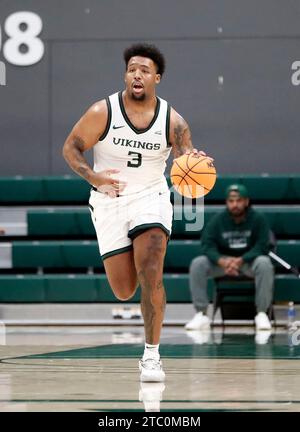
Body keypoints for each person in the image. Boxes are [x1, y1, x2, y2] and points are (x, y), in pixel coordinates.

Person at [63, 43, 212, 382]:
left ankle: (151, 356)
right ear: (125, 75)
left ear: (156, 78)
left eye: (144, 70)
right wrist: (94, 177)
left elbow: (187, 159)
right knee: (124, 289)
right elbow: (70, 147)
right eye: (132, 69)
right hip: (110, 199)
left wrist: (196, 162)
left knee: (152, 267)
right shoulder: (103, 111)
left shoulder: (174, 121)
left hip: (151, 195)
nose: (137, 74)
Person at [185, 183, 274, 331]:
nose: (235, 205)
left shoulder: (258, 219)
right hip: (223, 263)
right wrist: (222, 261)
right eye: (231, 201)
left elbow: (262, 246)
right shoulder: (217, 220)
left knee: (264, 263)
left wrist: (241, 260)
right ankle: (201, 314)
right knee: (198, 264)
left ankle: (262, 313)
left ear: (246, 201)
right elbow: (207, 245)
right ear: (227, 202)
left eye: (239, 201)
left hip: (248, 262)